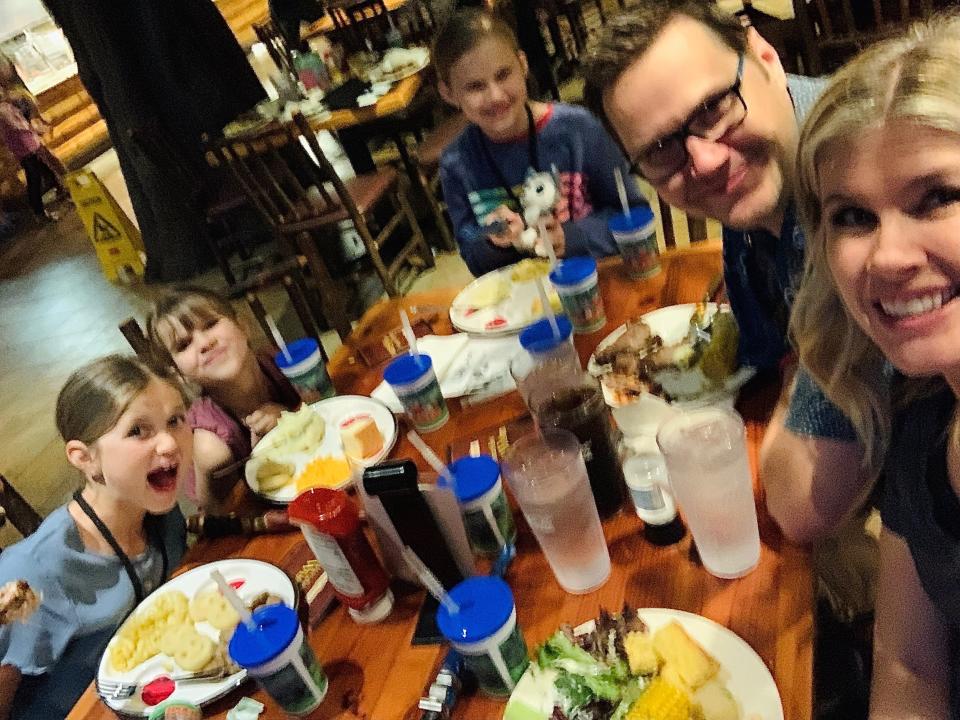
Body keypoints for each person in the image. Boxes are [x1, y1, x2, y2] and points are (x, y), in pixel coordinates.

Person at [582, 2, 870, 546]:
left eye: (714, 106)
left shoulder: (850, 194)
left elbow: (801, 504)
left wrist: (796, 380)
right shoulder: (762, 187)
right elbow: (766, 344)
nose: (707, 161)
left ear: (765, 57)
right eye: (663, 148)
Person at [790, 14, 960, 715]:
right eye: (853, 216)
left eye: (938, 197)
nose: (887, 256)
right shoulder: (921, 423)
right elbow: (909, 663)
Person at [0, 356, 190, 719]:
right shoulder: (31, 575)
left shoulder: (156, 509)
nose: (169, 443)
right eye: (138, 430)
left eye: (175, 420)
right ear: (85, 458)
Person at [435, 9, 646, 277]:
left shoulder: (580, 129)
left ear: (523, 64)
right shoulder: (456, 163)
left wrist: (572, 237)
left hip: (600, 284)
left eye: (503, 75)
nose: (496, 96)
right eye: (475, 87)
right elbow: (473, 256)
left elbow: (635, 216)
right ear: (448, 93)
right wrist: (492, 240)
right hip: (523, 303)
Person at [146, 287, 302, 512]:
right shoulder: (211, 444)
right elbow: (222, 516)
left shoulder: (278, 362)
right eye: (184, 345)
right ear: (179, 374)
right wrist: (260, 458)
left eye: (210, 324)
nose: (204, 343)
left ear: (243, 326)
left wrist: (295, 413)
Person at [0, 83, 61, 222]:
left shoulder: (6, 107)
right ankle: (39, 212)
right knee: (34, 178)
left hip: (27, 145)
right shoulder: (3, 110)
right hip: (25, 147)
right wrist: (34, 131)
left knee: (44, 170)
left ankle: (60, 190)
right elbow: (17, 126)